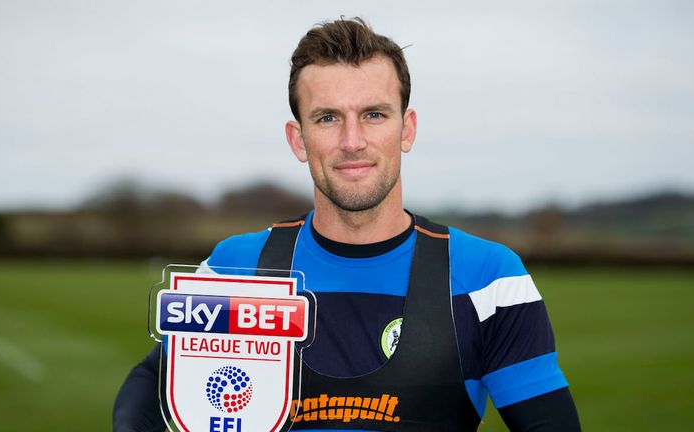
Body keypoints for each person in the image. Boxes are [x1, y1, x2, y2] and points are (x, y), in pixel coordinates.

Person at [114, 17, 581, 432]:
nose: (352, 141)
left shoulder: (489, 279)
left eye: (374, 115)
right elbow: (153, 387)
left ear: (407, 129)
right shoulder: (238, 269)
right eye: (327, 117)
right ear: (298, 139)